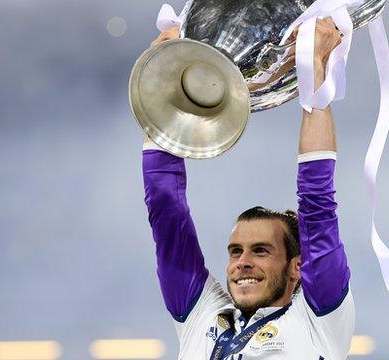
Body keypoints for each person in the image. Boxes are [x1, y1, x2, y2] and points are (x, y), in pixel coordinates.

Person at [142, 18, 354, 359]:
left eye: (261, 250)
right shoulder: (202, 315)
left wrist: (312, 65)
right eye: (235, 250)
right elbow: (166, 212)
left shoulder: (318, 319)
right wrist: (164, 79)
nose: (241, 262)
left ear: (297, 267)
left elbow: (317, 203)